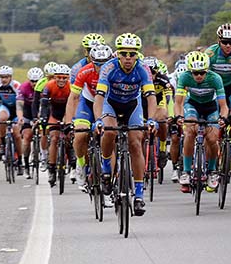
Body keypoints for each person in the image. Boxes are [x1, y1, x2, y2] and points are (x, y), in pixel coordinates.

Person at [93, 33, 157, 216]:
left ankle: (138, 195)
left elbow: (150, 97)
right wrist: (98, 120)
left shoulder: (143, 69)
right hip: (110, 104)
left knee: (136, 143)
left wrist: (151, 119)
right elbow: (99, 97)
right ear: (117, 54)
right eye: (124, 54)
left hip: (132, 105)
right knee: (109, 132)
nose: (128, 58)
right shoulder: (108, 68)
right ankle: (106, 169)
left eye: (132, 54)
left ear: (137, 55)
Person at [174, 51, 228, 193]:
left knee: (212, 138)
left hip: (211, 107)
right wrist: (178, 116)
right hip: (192, 105)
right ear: (190, 71)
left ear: (207, 71)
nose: (199, 76)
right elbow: (178, 103)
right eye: (195, 73)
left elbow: (223, 105)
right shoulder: (184, 77)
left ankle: (211, 171)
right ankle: (186, 171)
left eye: (202, 73)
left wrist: (223, 118)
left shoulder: (215, 78)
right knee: (190, 131)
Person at [64, 44, 114, 191]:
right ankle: (80, 163)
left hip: (107, 104)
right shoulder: (84, 71)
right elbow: (73, 97)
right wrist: (69, 121)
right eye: (97, 64)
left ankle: (112, 178)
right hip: (87, 103)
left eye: (104, 63)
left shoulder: (115, 71)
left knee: (111, 137)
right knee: (80, 135)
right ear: (91, 61)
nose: (101, 67)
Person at [205, 23, 231, 173]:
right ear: (219, 41)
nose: (228, 46)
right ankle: (208, 160)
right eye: (225, 42)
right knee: (211, 122)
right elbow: (203, 77)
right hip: (214, 89)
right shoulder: (210, 54)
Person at [40, 64, 75, 187]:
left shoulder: (71, 86)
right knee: (54, 138)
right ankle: (52, 168)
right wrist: (43, 118)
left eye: (64, 78)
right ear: (55, 77)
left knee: (69, 136)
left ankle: (73, 163)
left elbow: (75, 104)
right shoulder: (49, 86)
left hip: (67, 112)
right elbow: (44, 104)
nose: (61, 80)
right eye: (59, 77)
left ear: (68, 78)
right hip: (54, 113)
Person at [0, 66, 23, 175]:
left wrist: (20, 117)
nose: (4, 79)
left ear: (11, 77)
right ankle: (3, 145)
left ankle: (20, 161)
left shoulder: (16, 85)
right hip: (5, 107)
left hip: (16, 109)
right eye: (1, 77)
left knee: (18, 136)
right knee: (1, 120)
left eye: (6, 77)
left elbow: (20, 102)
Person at [142, 56, 172, 169]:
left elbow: (169, 99)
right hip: (142, 105)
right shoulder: (139, 78)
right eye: (148, 72)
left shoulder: (163, 79)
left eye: (153, 72)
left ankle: (163, 149)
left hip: (159, 103)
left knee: (162, 120)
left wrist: (171, 114)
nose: (151, 75)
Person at [16, 67, 44, 179]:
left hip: (41, 111)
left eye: (37, 81)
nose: (34, 83)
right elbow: (19, 105)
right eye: (32, 81)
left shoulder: (45, 86)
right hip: (27, 113)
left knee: (45, 134)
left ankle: (45, 157)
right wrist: (20, 118)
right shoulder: (23, 87)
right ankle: (26, 164)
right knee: (27, 137)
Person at [32, 61, 59, 170]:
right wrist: (35, 117)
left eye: (54, 77)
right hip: (45, 108)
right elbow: (35, 102)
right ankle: (43, 157)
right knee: (44, 131)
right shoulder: (41, 83)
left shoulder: (62, 83)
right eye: (49, 77)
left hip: (57, 108)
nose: (52, 80)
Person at [167, 61, 187, 182]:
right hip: (174, 105)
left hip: (187, 106)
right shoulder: (171, 80)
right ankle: (175, 167)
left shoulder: (192, 79)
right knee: (175, 138)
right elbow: (169, 99)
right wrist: (171, 115)